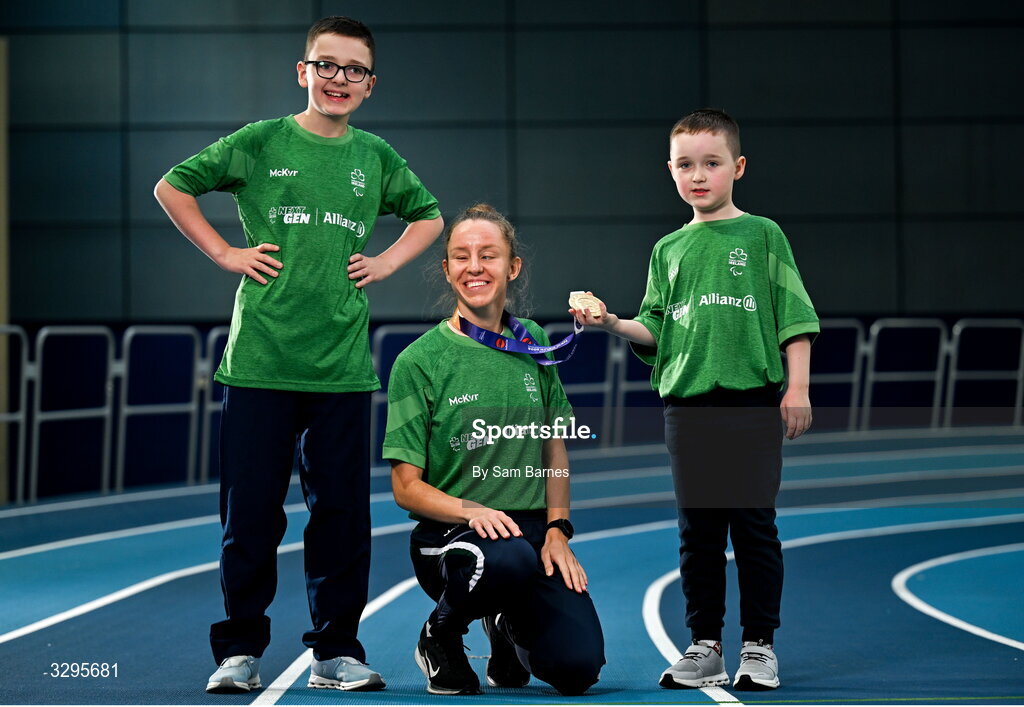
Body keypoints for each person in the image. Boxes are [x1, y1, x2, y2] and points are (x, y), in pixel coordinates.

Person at [153, 16, 443, 694]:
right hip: (260, 362)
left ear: (370, 85)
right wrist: (225, 251)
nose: (339, 78)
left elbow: (428, 214)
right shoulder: (261, 142)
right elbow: (173, 184)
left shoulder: (373, 156)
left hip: (340, 369)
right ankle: (240, 649)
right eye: (328, 64)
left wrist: (387, 262)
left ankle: (336, 649)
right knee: (250, 514)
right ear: (303, 71)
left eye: (354, 70)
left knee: (342, 516)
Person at [572, 109, 819, 691]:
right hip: (687, 409)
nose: (698, 175)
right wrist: (609, 321)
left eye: (711, 163)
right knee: (699, 532)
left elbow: (796, 317)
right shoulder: (667, 249)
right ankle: (705, 644)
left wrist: (798, 387)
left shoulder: (763, 235)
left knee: (754, 527)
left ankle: (759, 646)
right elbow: (657, 330)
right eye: (686, 165)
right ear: (671, 171)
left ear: (737, 167)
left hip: (752, 403)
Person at [383, 204, 605, 696]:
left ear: (513, 267)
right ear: (446, 269)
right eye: (461, 257)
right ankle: (439, 636)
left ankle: (503, 626)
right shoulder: (417, 362)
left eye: (489, 255)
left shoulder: (535, 342)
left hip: (528, 537)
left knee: (578, 668)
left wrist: (557, 530)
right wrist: (472, 509)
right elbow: (405, 488)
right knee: (505, 560)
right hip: (452, 537)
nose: (475, 267)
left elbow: (554, 452)